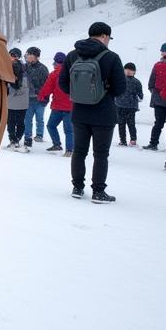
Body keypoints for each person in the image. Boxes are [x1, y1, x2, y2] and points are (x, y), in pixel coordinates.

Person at [58, 21, 126, 203]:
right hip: (104, 114)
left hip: (79, 112)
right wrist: (103, 92)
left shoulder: (72, 55)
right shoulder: (111, 57)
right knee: (101, 154)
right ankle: (98, 192)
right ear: (104, 36)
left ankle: (77, 188)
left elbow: (62, 83)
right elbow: (120, 88)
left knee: (79, 152)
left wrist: (79, 94)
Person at [38, 52, 73, 154]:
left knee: (51, 126)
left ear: (56, 62)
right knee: (69, 130)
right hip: (70, 107)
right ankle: (69, 150)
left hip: (58, 106)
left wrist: (42, 96)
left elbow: (47, 88)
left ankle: (58, 144)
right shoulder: (73, 73)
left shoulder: (54, 74)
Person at [142, 43, 166, 151]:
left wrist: (156, 94)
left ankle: (153, 143)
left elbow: (151, 83)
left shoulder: (158, 65)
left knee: (158, 124)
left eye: (162, 50)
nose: (161, 52)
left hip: (159, 101)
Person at [20, 47, 49, 149]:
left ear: (35, 56)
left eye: (29, 54)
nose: (27, 56)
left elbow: (47, 85)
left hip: (39, 99)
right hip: (27, 99)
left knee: (40, 118)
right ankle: (27, 137)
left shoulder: (43, 68)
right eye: (27, 54)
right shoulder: (24, 67)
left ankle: (39, 135)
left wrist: (45, 98)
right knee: (27, 119)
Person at [115, 63, 144, 146]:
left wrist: (136, 96)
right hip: (119, 105)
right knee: (121, 124)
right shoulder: (119, 80)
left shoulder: (137, 82)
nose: (128, 71)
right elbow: (115, 92)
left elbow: (140, 96)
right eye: (126, 69)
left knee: (131, 124)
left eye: (130, 70)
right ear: (123, 70)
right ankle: (123, 140)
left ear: (134, 72)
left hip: (131, 107)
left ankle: (133, 139)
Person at [6, 48, 28, 149]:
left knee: (11, 121)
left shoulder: (9, 67)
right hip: (22, 100)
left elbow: (14, 85)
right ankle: (16, 139)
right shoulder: (25, 67)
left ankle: (14, 140)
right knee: (19, 121)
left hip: (13, 98)